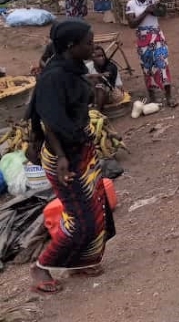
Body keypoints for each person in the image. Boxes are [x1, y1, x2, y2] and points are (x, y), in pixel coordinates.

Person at [27, 20, 114, 293]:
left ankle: (81, 260)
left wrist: (88, 80)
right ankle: (41, 266)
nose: (92, 46)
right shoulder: (52, 78)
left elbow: (69, 92)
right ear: (70, 45)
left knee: (97, 208)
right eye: (88, 43)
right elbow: (48, 120)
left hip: (81, 148)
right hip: (63, 156)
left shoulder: (71, 69)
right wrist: (62, 157)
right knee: (81, 219)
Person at [125, 0, 176, 107]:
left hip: (157, 36)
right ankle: (152, 97)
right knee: (147, 68)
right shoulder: (131, 4)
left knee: (162, 65)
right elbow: (131, 24)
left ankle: (168, 96)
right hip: (143, 39)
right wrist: (146, 12)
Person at [86, 45, 123, 112]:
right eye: (98, 56)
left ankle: (98, 111)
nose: (101, 58)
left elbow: (109, 82)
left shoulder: (110, 66)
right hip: (95, 92)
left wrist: (95, 77)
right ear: (92, 58)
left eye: (102, 55)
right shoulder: (88, 66)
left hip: (113, 93)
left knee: (98, 84)